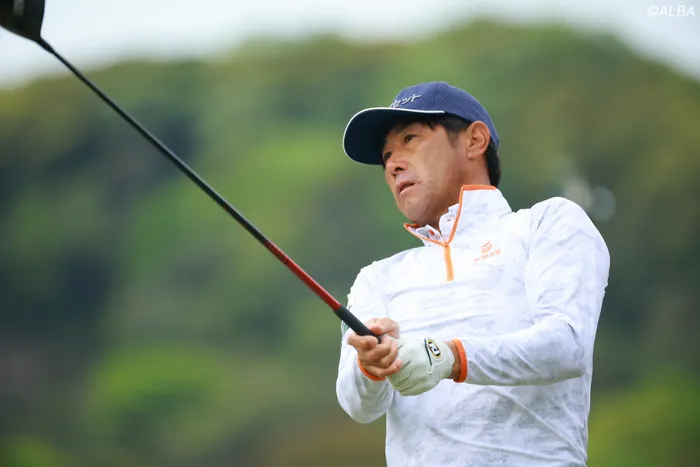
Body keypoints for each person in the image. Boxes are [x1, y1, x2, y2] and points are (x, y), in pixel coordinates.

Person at [335, 81, 610, 466]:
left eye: (410, 139)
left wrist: (451, 357)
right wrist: (371, 368)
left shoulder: (546, 223)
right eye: (386, 156)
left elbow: (567, 346)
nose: (393, 165)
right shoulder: (377, 278)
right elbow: (359, 406)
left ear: (475, 140)